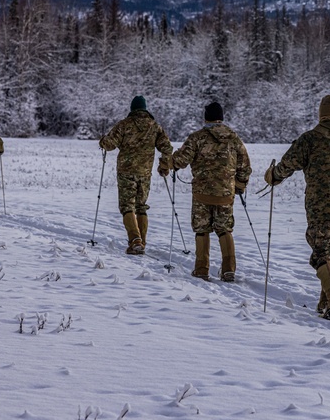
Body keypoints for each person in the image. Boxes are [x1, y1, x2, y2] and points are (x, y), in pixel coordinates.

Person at [264, 95, 330, 322]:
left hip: (319, 207)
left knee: (322, 255)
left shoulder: (309, 140)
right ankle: (326, 304)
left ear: (321, 114)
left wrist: (273, 176)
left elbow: (287, 164)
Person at [167, 102, 250, 282]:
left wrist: (169, 162)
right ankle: (228, 269)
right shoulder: (233, 138)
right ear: (222, 117)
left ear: (205, 117)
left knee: (202, 229)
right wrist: (240, 185)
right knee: (224, 229)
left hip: (201, 194)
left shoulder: (197, 138)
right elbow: (244, 165)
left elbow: (181, 160)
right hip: (226, 195)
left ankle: (202, 269)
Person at [99, 96, 174, 255]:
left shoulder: (124, 125)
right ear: (145, 109)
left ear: (132, 109)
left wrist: (102, 141)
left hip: (126, 172)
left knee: (127, 206)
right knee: (141, 206)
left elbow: (109, 144)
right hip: (144, 173)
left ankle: (135, 240)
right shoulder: (154, 126)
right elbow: (167, 147)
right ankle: (142, 242)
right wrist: (164, 164)